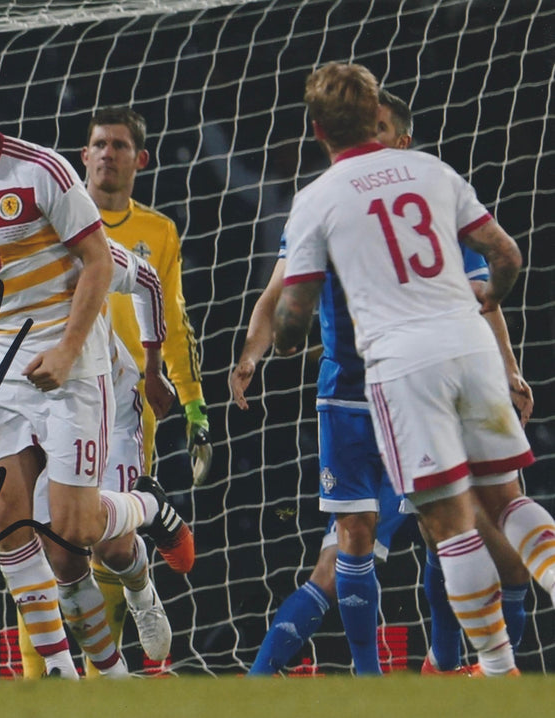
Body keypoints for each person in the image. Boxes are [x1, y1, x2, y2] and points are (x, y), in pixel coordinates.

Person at [0, 47, 193, 678]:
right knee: (10, 521)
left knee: (77, 532)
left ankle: (150, 509)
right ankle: (81, 683)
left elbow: (101, 263)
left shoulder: (43, 173)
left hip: (71, 363)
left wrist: (69, 350)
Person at [230, 89, 534, 676]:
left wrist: (511, 367)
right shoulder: (327, 206)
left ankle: (454, 665)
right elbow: (276, 296)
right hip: (351, 391)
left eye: (392, 129)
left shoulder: (412, 191)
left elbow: (485, 297)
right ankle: (391, 679)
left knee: (455, 527)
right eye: (377, 126)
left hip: (411, 385)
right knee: (360, 535)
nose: (384, 138)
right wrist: (250, 354)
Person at [0, 236, 177, 674]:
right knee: (64, 558)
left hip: (98, 393)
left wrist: (153, 367)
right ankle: (112, 679)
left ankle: (141, 576)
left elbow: (145, 277)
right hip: (22, 407)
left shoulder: (62, 229)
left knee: (107, 545)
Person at [82, 107, 210, 484]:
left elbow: (172, 319)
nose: (108, 153)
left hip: (132, 400)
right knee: (64, 526)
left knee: (122, 530)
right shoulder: (60, 221)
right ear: (85, 156)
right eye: (99, 144)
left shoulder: (160, 232)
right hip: (69, 386)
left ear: (140, 159)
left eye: (119, 145)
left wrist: (194, 406)